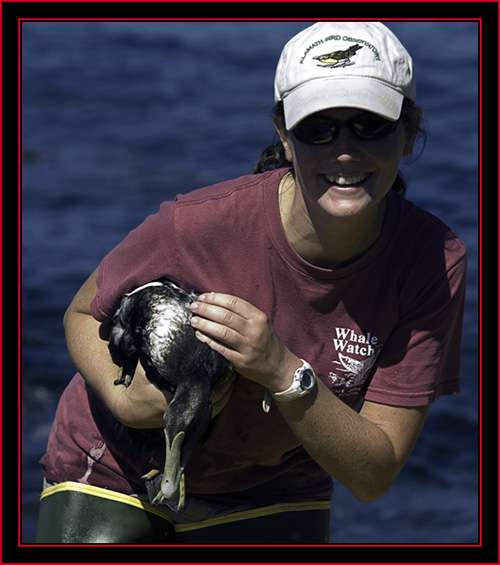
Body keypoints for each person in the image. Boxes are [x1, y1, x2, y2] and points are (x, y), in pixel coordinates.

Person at [36, 21, 466, 544]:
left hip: (273, 483)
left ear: (408, 130)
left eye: (370, 124)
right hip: (117, 464)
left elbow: (373, 474)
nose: (345, 150)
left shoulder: (431, 262)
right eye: (318, 128)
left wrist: (282, 371)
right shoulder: (195, 224)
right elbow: (82, 314)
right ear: (285, 136)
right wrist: (128, 402)